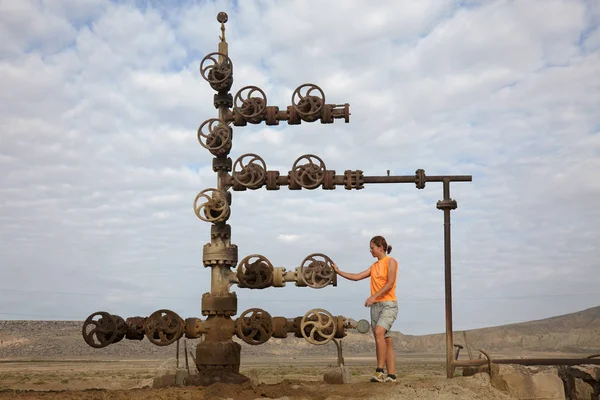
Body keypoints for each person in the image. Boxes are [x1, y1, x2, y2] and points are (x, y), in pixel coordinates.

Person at [332, 235, 399, 383]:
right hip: (375, 307)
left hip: (388, 304)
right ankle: (392, 375)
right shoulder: (374, 267)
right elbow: (356, 277)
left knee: (379, 332)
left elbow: (390, 283)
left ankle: (380, 371)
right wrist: (338, 271)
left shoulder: (391, 262)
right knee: (385, 339)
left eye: (372, 247)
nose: (370, 250)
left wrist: (373, 296)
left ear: (381, 247)